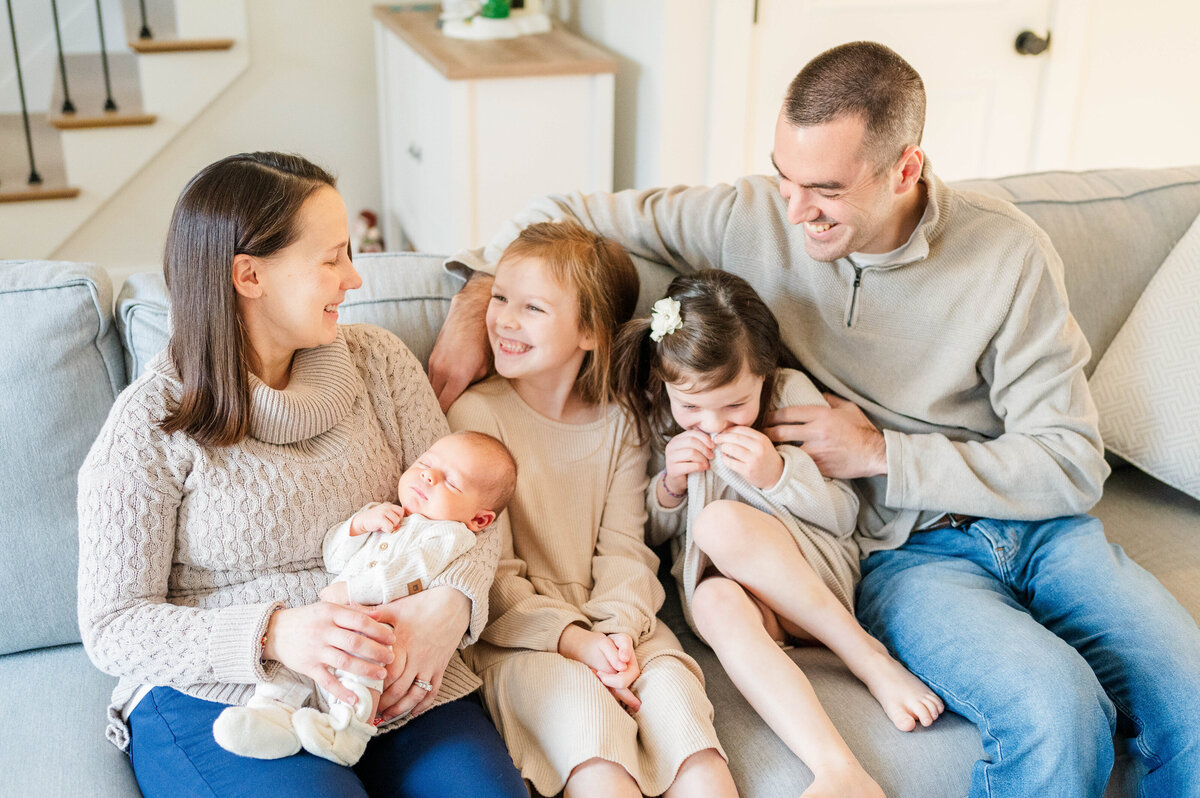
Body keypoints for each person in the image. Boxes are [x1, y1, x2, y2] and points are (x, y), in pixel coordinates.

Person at [428, 42, 1200, 798]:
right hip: (907, 553)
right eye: (784, 177)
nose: (794, 212)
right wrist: (475, 304)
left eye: (824, 189)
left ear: (906, 169)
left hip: (1043, 528)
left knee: (1190, 697)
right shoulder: (751, 217)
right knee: (1058, 712)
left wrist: (882, 452)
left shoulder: (1008, 254)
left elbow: (1070, 461)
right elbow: (556, 214)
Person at [77, 152, 528, 798]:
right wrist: (275, 632)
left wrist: (446, 609)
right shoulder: (151, 422)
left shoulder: (380, 364)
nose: (354, 278)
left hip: (389, 671)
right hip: (221, 691)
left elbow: (474, 509)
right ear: (250, 275)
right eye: (332, 258)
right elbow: (113, 624)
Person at [611, 269, 943, 797]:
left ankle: (868, 658)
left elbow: (845, 514)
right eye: (691, 406)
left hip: (815, 580)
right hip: (755, 613)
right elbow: (645, 533)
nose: (713, 424)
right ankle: (838, 770)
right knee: (712, 598)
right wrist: (670, 486)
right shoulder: (659, 422)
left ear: (764, 376)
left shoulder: (790, 396)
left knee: (719, 523)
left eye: (734, 405)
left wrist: (779, 476)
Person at [447, 220, 737, 798]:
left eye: (532, 307)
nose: (504, 320)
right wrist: (578, 642)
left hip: (620, 622)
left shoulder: (620, 423)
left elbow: (627, 550)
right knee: (595, 742)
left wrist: (618, 636)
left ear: (589, 332)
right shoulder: (476, 417)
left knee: (686, 728)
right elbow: (489, 577)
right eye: (500, 297)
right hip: (524, 638)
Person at [213, 430, 517, 768]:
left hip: (379, 631)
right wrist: (357, 526)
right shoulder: (385, 515)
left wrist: (353, 591)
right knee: (292, 670)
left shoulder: (449, 536)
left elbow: (413, 574)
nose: (429, 476)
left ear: (479, 520)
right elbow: (334, 557)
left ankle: (345, 734)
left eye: (452, 482)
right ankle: (271, 716)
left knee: (362, 676)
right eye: (425, 463)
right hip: (327, 625)